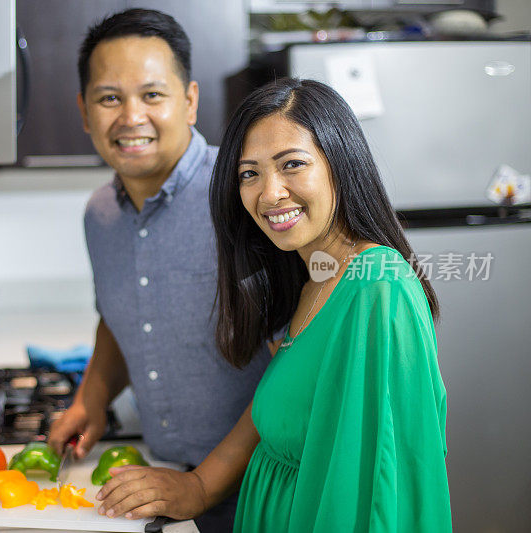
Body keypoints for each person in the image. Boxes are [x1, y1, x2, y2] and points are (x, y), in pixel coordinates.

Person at [95, 78, 452, 532]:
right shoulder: (312, 280)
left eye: (292, 165)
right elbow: (275, 412)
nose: (270, 193)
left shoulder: (378, 291)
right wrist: (200, 486)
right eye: (250, 174)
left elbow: (387, 490)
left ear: (340, 164)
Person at [46, 9, 271, 531]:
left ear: (189, 101)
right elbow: (124, 317)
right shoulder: (99, 215)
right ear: (84, 111)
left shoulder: (247, 196)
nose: (130, 117)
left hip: (261, 490)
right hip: (166, 478)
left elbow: (298, 365)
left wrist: (201, 486)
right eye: (109, 98)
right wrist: (92, 399)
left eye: (152, 95)